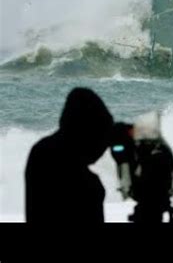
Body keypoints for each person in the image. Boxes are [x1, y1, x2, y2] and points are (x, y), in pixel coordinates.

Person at [25, 87, 114, 223]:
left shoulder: (42, 151)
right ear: (86, 134)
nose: (103, 148)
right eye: (101, 138)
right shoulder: (87, 185)